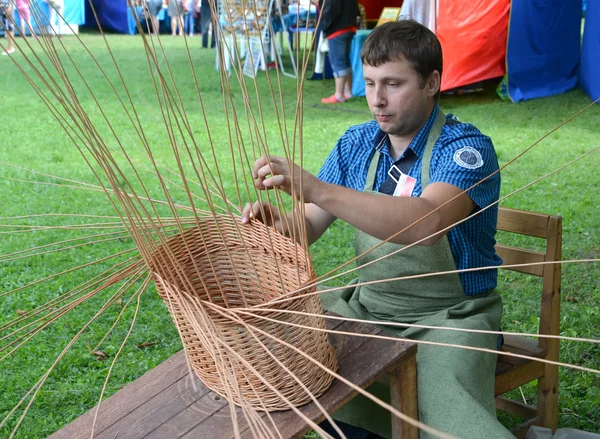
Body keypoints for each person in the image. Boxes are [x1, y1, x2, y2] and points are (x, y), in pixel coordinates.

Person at [241, 20, 514, 439]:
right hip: (369, 309)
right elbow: (308, 223)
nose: (377, 100)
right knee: (297, 346)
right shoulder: (357, 143)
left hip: (451, 318)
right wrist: (275, 225)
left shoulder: (464, 149)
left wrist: (318, 189)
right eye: (369, 83)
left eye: (392, 83)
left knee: (443, 399)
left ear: (431, 83)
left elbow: (427, 222)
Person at [318, 0, 358, 104]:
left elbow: (331, 10)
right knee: (345, 60)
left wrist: (325, 26)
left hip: (337, 29)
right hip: (349, 26)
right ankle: (348, 92)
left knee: (338, 61)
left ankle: (339, 95)